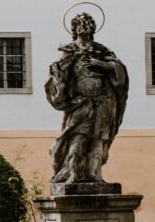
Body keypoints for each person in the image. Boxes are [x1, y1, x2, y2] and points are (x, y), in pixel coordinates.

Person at [45, 12, 128, 186]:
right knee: (78, 136)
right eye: (80, 23)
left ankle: (94, 174)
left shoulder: (101, 50)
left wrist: (102, 65)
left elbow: (119, 69)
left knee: (98, 138)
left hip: (104, 100)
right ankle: (74, 174)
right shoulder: (68, 50)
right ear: (74, 28)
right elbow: (58, 73)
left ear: (93, 27)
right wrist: (59, 77)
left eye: (88, 23)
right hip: (81, 102)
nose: (85, 26)